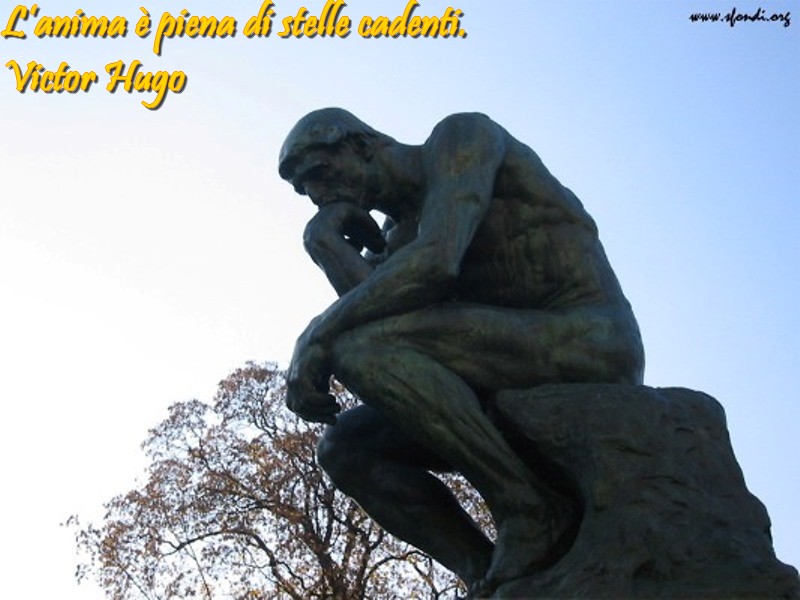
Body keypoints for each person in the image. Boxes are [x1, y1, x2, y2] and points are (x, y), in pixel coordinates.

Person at [278, 108, 644, 594]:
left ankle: (529, 508)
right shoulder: (397, 235)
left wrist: (316, 335)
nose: (317, 195)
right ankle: (487, 576)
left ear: (362, 145)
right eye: (305, 191)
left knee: (354, 347)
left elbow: (437, 262)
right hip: (498, 363)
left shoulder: (460, 140)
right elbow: (377, 316)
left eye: (321, 174)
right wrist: (324, 244)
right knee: (344, 448)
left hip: (586, 338)